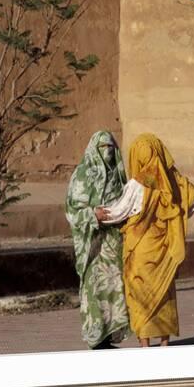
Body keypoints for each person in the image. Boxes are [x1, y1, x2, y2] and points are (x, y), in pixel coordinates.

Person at [98, 133, 194, 348]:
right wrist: (179, 217)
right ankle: (164, 343)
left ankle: (145, 344)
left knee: (140, 295)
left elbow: (119, 212)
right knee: (164, 294)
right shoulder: (175, 181)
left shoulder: (138, 184)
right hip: (165, 248)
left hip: (141, 250)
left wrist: (96, 214)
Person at [65, 130, 131, 350]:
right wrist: (94, 215)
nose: (108, 152)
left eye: (111, 148)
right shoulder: (82, 176)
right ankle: (96, 340)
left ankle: (108, 338)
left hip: (113, 244)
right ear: (95, 149)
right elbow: (72, 211)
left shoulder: (118, 175)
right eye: (104, 148)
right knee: (94, 289)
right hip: (92, 246)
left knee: (114, 289)